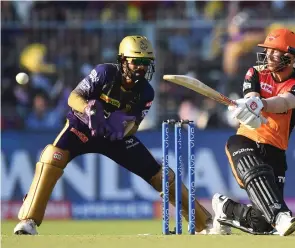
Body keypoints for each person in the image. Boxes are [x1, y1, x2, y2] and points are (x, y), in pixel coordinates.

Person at [14, 36, 221, 235]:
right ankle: (28, 220)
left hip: (113, 137)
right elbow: (73, 97)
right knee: (53, 157)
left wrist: (121, 129)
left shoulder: (146, 91)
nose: (142, 67)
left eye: (146, 63)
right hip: (82, 127)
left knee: (161, 176)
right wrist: (88, 110)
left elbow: (134, 126)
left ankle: (205, 224)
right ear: (123, 60)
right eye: (136, 62)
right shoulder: (104, 73)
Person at [211, 28, 295, 236]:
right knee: (257, 173)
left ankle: (225, 208)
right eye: (267, 50)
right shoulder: (255, 72)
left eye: (274, 51)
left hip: (275, 149)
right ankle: (281, 216)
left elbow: (285, 101)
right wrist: (247, 106)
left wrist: (260, 104)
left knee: (262, 225)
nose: (268, 55)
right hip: (245, 141)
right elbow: (252, 98)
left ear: (290, 57)